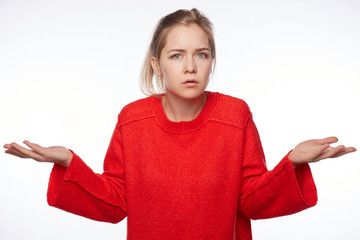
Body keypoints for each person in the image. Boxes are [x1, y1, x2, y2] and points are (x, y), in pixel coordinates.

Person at [3, 8, 356, 240]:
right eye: (177, 56)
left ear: (211, 60)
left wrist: (291, 162)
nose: (190, 67)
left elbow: (251, 201)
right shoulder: (132, 120)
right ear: (157, 64)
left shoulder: (235, 116)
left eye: (201, 54)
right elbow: (115, 202)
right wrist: (68, 162)